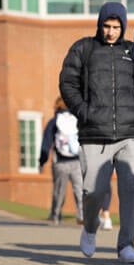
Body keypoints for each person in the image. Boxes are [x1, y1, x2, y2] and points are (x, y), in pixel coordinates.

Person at [60, 1, 134, 263]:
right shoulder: (83, 48)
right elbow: (68, 83)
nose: (111, 32)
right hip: (95, 134)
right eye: (106, 26)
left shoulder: (132, 51)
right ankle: (90, 227)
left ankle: (126, 245)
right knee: (93, 190)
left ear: (124, 27)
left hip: (131, 133)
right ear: (99, 24)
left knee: (130, 189)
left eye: (116, 27)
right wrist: (84, 112)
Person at [38, 96, 83, 226]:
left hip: (60, 162)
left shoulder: (54, 122)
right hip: (77, 161)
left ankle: (55, 215)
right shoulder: (78, 120)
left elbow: (46, 143)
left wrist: (42, 160)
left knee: (59, 190)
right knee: (79, 189)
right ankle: (82, 215)